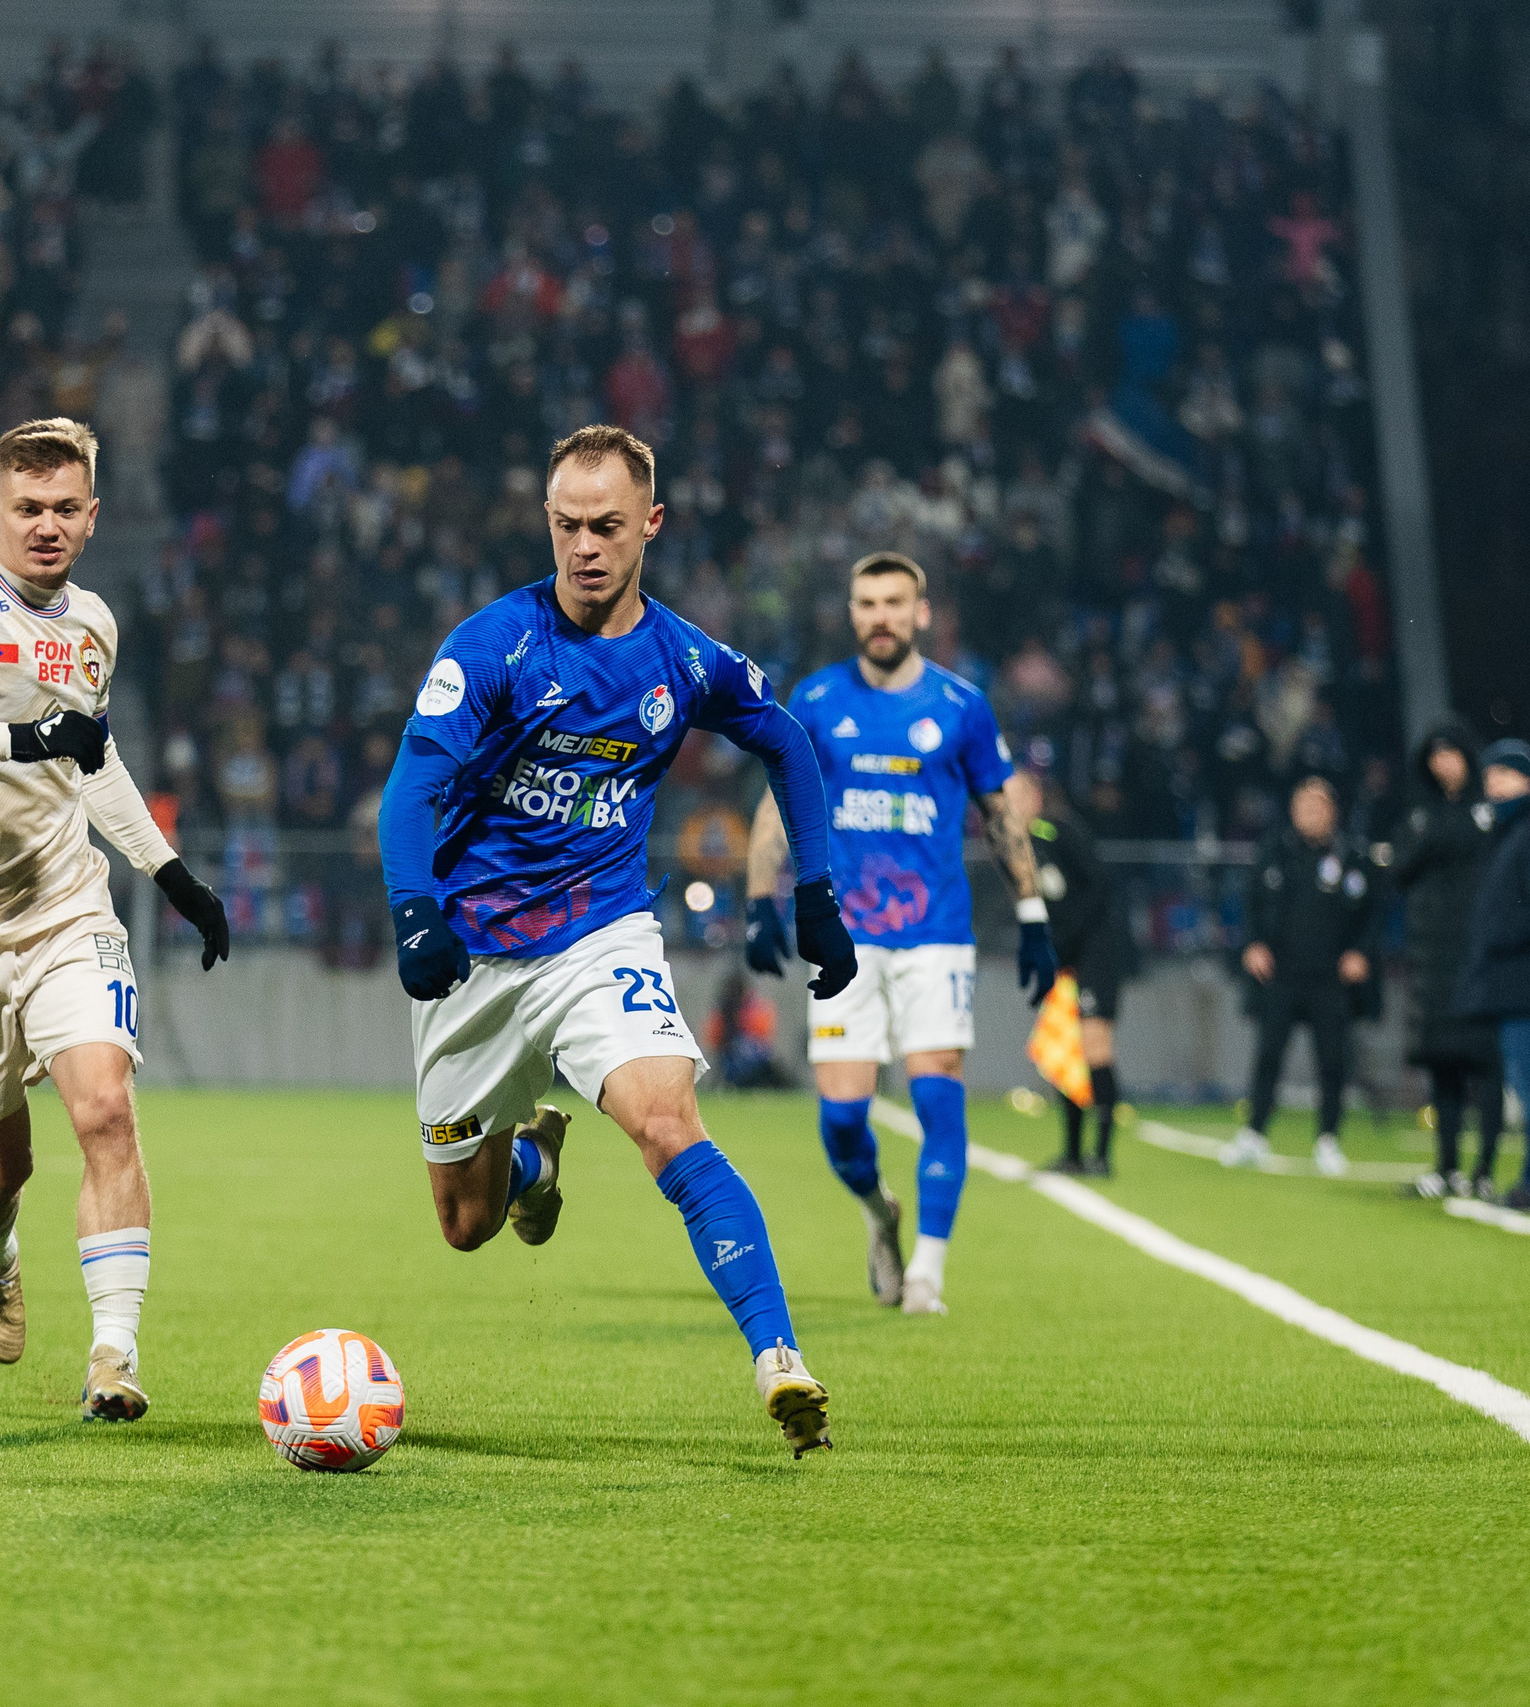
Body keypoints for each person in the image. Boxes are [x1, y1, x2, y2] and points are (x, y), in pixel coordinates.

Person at [377, 425, 857, 1459]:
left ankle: (778, 1358)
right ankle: (529, 1171)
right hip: (473, 956)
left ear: (650, 524)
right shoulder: (493, 646)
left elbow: (786, 738)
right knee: (463, 1225)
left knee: (663, 1121)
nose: (583, 547)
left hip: (601, 935)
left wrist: (814, 891)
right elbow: (410, 787)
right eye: (564, 526)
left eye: (604, 526)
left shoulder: (682, 658)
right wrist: (415, 909)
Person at [0, 418, 230, 1423]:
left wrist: (166, 871)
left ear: (93, 516)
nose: (46, 525)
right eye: (27, 509)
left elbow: (89, 759)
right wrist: (20, 736)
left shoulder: (93, 625)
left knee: (104, 1109)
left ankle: (113, 1357)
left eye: (66, 508)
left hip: (63, 906)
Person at [743, 553, 1057, 1317]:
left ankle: (928, 1273)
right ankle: (880, 1213)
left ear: (922, 613)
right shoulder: (816, 700)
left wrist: (1033, 914)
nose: (879, 615)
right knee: (843, 1120)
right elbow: (776, 801)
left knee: (937, 1087)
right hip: (845, 938)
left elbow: (1002, 814)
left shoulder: (961, 704)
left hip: (935, 933)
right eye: (865, 602)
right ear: (850, 612)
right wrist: (758, 898)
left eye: (894, 602)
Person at [1222, 774, 1380, 1178]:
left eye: (1318, 805)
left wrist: (1361, 952)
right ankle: (1254, 1133)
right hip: (1282, 975)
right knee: (1268, 1056)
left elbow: (1374, 915)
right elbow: (1250, 905)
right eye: (1303, 805)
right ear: (1292, 811)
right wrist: (1253, 944)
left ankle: (1328, 1138)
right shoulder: (1273, 853)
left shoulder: (1352, 857)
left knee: (1332, 1061)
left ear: (1332, 812)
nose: (1309, 813)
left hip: (1331, 979)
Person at [1392, 722, 1506, 1198]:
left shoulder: (1493, 812)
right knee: (1443, 1064)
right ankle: (1446, 1167)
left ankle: (1484, 1169)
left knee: (1487, 1066)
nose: (1443, 764)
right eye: (1434, 756)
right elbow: (1398, 870)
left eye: (1450, 754)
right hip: (1435, 957)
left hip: (1483, 956)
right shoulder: (1421, 815)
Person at [1031, 772, 1131, 1176]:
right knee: (1065, 1048)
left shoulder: (1057, 831)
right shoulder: (1023, 845)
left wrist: (1068, 938)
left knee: (1095, 1048)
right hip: (1067, 960)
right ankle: (1072, 1153)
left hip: (1095, 957)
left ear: (1035, 797)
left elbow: (1100, 885)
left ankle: (1102, 1155)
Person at [1457, 741, 1530, 1209]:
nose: (1495, 783)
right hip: (1510, 983)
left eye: (1507, 773)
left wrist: (1498, 936)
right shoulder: (1505, 834)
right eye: (1490, 775)